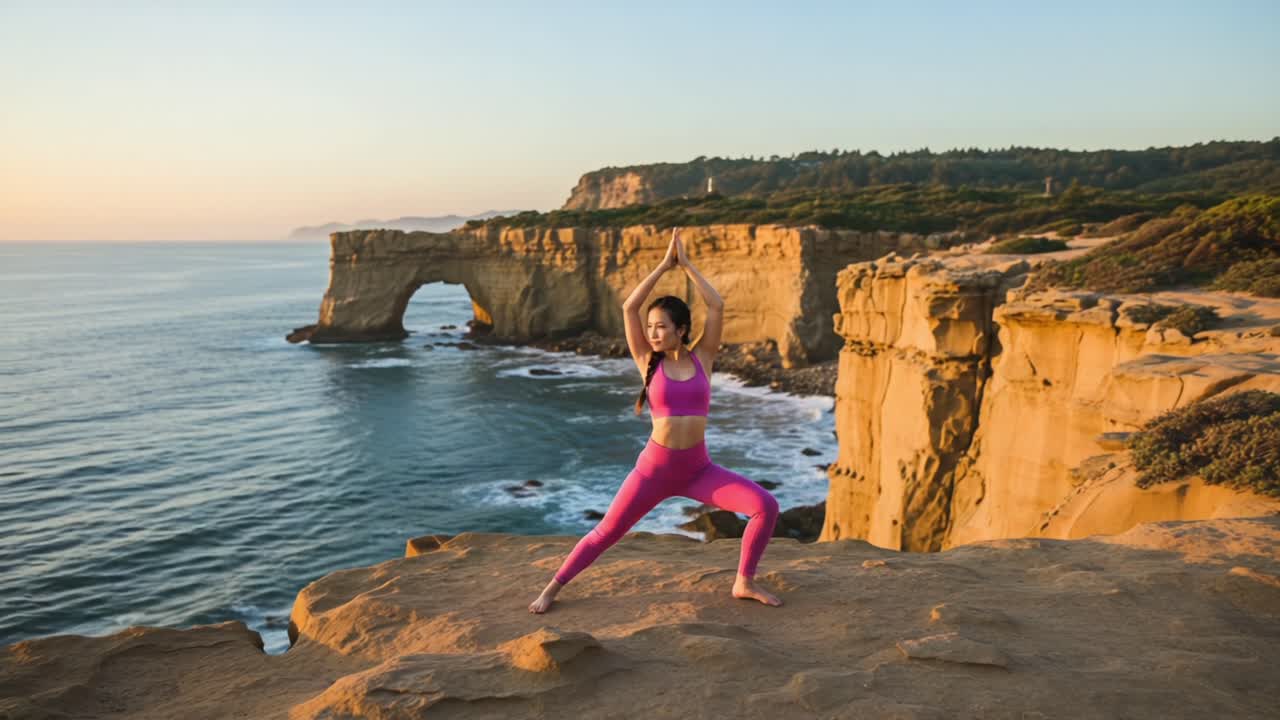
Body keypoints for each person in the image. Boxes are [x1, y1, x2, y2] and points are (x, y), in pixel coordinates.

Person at [528, 227, 783, 613]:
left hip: (699, 470)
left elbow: (715, 306)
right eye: (651, 328)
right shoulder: (648, 361)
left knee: (766, 505)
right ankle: (551, 589)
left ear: (681, 330)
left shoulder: (704, 358)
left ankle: (743, 581)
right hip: (654, 471)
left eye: (661, 327)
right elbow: (630, 307)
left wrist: (688, 267)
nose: (653, 333)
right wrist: (664, 265)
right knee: (607, 532)